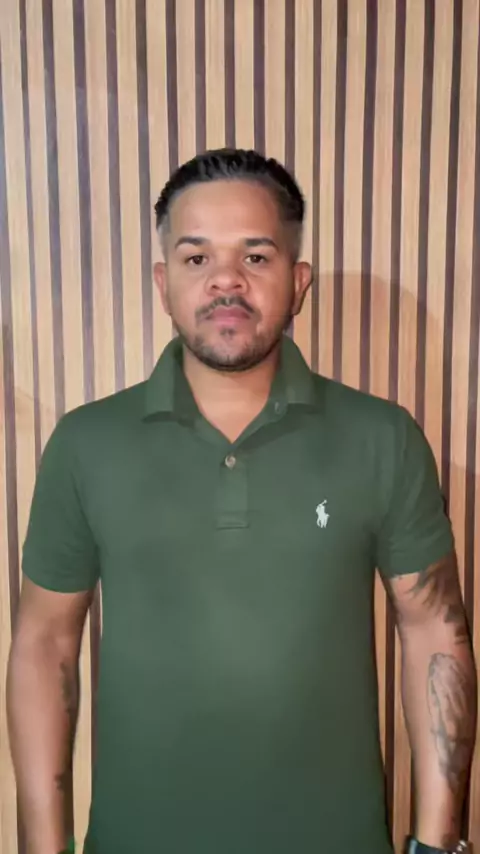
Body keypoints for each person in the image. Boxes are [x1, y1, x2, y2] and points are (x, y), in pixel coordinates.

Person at [7, 149, 476, 854]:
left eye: (256, 256)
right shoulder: (86, 443)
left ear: (298, 281)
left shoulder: (383, 437)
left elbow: (435, 631)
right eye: (197, 258)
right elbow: (44, 644)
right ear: (163, 283)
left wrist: (437, 845)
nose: (226, 279)